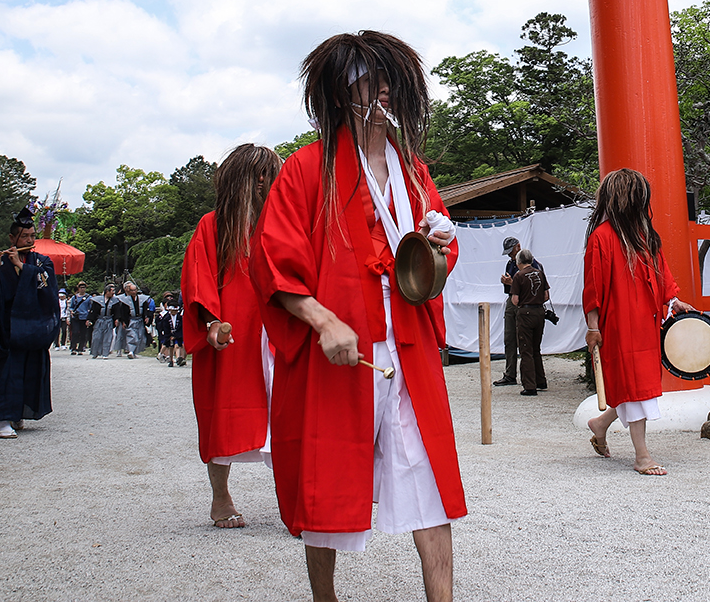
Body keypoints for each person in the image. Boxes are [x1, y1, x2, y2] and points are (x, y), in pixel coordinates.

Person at [251, 31, 465, 602]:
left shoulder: (413, 172)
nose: (386, 91)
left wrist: (439, 247)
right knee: (328, 483)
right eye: (371, 81)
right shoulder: (304, 170)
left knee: (430, 485)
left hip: (409, 351)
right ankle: (325, 598)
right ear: (343, 94)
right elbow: (274, 262)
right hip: (340, 355)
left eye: (391, 79)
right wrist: (323, 321)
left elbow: (436, 256)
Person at [182, 143, 282, 528]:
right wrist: (211, 324)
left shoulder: (283, 224)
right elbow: (198, 279)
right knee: (221, 417)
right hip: (231, 337)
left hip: (276, 334)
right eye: (272, 175)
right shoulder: (213, 225)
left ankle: (293, 500)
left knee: (287, 417)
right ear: (258, 181)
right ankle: (220, 498)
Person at [582, 169, 695, 475]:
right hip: (618, 326)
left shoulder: (645, 237)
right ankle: (642, 456)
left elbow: (661, 273)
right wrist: (593, 327)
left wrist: (673, 300)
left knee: (638, 384)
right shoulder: (601, 238)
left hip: (645, 321)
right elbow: (593, 288)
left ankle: (600, 424)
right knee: (633, 386)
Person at [0, 207, 59, 439]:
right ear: (12, 238)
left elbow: (48, 289)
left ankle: (19, 413)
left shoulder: (42, 261)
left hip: (34, 327)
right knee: (9, 373)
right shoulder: (0, 261)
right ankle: (2, 420)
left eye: (32, 236)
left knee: (31, 372)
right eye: (24, 237)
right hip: (10, 327)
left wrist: (22, 267)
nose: (29, 240)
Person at [509, 248, 549, 396]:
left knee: (525, 349)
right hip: (539, 312)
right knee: (536, 348)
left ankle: (530, 385)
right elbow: (546, 295)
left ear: (519, 262)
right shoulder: (540, 273)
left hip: (525, 313)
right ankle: (541, 380)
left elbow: (515, 300)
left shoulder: (519, 276)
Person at [492, 237, 521, 387]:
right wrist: (507, 283)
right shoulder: (510, 263)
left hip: (524, 302)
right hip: (511, 300)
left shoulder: (529, 262)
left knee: (525, 341)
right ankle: (510, 373)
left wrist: (513, 283)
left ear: (518, 247)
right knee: (509, 338)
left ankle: (531, 376)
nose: (510, 255)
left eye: (511, 252)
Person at [88, 283, 116, 359]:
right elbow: (93, 311)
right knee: (96, 337)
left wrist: (116, 320)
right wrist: (90, 320)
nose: (113, 293)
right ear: (107, 291)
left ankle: (105, 353)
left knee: (108, 337)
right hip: (99, 320)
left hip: (109, 320)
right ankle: (95, 352)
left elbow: (116, 312)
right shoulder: (97, 300)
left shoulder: (115, 301)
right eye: (112, 291)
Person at [67, 282, 93, 354]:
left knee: (83, 333)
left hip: (84, 317)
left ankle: (81, 348)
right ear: (78, 288)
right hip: (76, 317)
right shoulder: (74, 297)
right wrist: (72, 311)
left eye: (84, 287)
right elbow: (71, 307)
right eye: (81, 287)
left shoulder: (89, 298)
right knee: (75, 332)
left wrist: (89, 318)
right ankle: (73, 347)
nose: (82, 289)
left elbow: (90, 308)